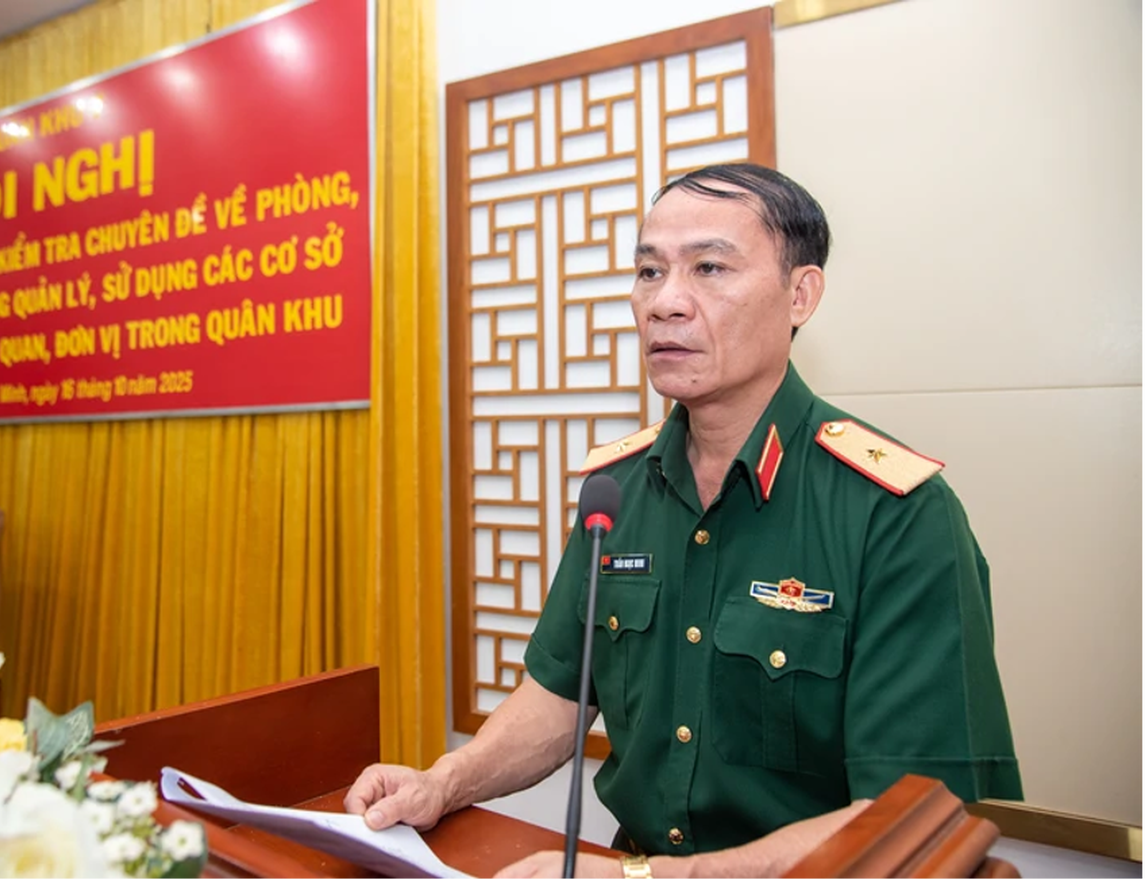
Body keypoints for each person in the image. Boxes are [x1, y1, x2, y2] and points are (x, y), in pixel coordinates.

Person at [344, 164, 1022, 879]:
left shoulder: (896, 514)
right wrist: (443, 782)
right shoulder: (617, 490)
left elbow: (915, 818)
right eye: (648, 271)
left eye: (708, 268)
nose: (665, 302)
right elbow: (558, 699)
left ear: (800, 295)